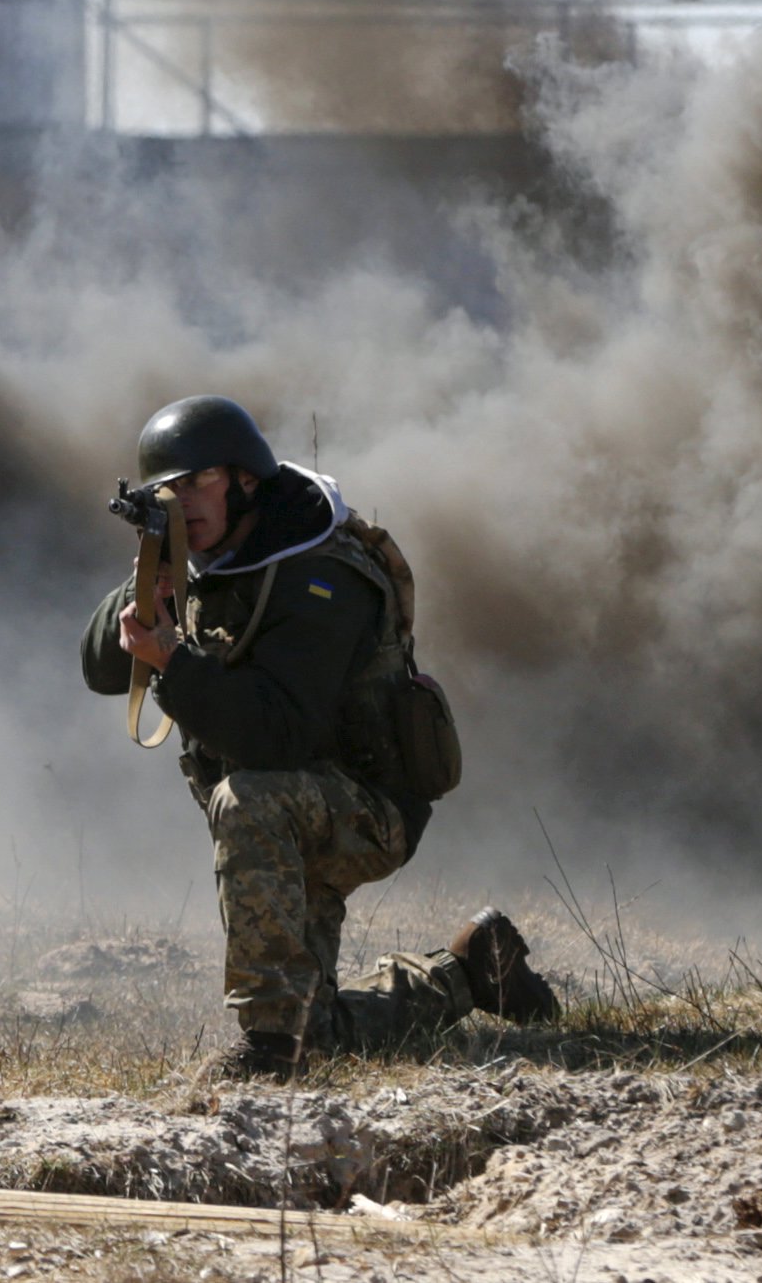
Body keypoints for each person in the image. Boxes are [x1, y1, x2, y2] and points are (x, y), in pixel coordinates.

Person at [80, 393, 558, 1077]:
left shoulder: (318, 575)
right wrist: (147, 578)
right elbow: (97, 667)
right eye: (167, 489)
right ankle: (471, 971)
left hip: (364, 806)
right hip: (293, 811)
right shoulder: (199, 558)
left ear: (245, 478)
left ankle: (269, 1049)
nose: (181, 501)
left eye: (196, 481)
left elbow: (280, 735)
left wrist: (174, 663)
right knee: (322, 1027)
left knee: (246, 801)